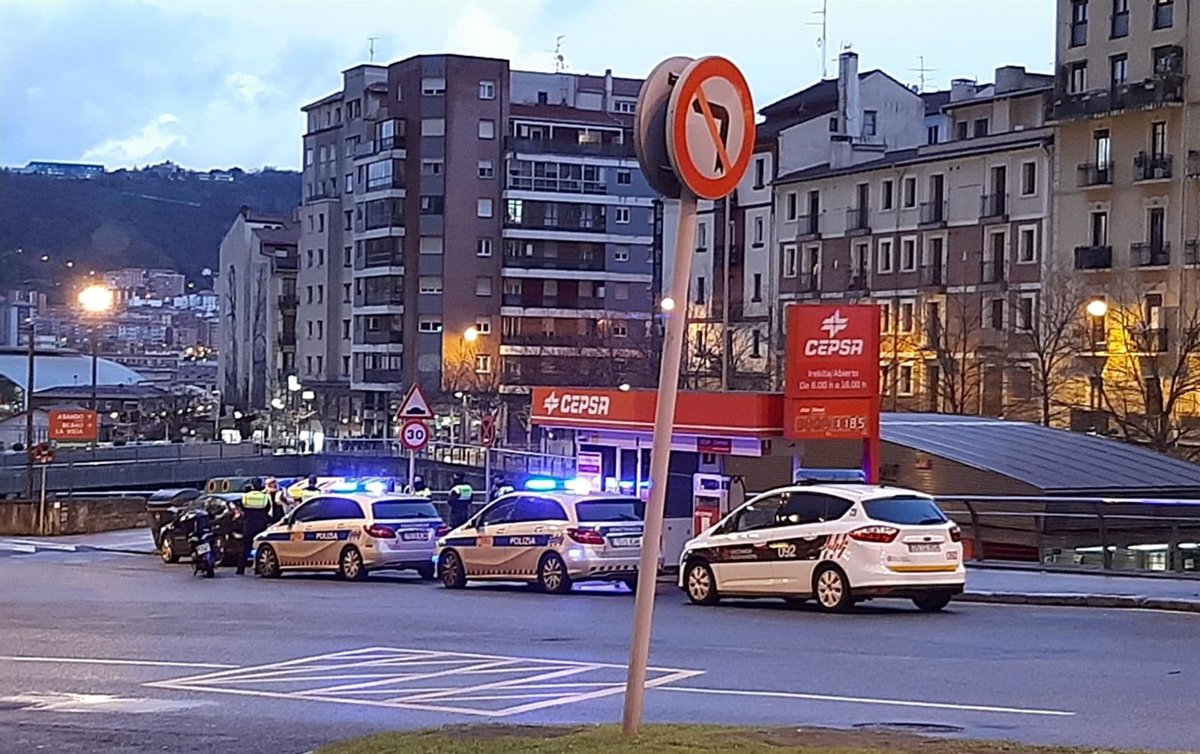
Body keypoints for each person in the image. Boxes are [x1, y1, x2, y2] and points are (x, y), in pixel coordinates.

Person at [236, 478, 271, 575]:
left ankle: (240, 569)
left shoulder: (246, 496)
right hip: (261, 525)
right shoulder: (264, 497)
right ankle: (258, 569)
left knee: (245, 547)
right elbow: (267, 509)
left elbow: (242, 508)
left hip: (248, 524)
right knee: (259, 547)